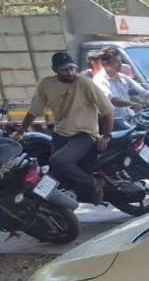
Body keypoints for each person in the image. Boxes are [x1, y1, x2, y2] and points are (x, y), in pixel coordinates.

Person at [17, 51, 114, 204]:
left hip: (84, 135)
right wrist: (21, 131)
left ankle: (93, 182)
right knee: (53, 176)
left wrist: (107, 136)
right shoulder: (46, 84)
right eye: (64, 70)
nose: (70, 73)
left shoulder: (84, 83)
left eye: (71, 68)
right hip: (60, 135)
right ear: (55, 69)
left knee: (58, 161)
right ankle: (54, 209)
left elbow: (107, 110)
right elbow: (34, 110)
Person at [94, 47, 149, 128]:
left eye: (120, 61)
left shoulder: (123, 78)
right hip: (112, 123)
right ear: (105, 64)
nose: (120, 65)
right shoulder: (100, 80)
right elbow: (111, 100)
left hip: (128, 119)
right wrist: (132, 104)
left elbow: (145, 94)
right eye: (115, 62)